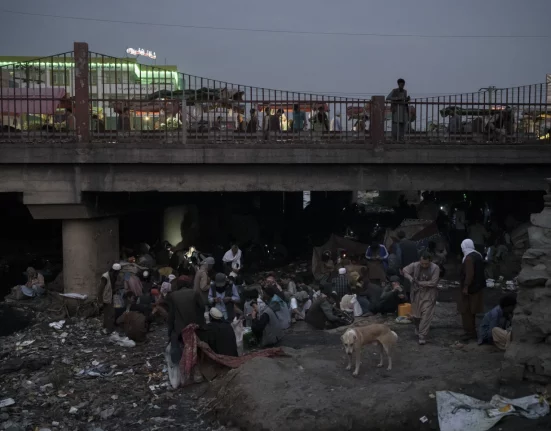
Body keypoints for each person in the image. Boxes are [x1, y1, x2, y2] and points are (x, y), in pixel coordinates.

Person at [402, 252, 440, 345]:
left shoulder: (435, 268)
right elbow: (404, 270)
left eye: (426, 263)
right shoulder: (415, 265)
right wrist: (411, 279)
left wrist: (420, 283)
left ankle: (422, 335)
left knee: (426, 314)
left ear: (430, 262)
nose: (424, 265)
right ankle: (418, 328)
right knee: (416, 315)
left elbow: (434, 282)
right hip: (416, 293)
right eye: (422, 263)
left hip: (429, 294)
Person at [458, 239, 486, 342]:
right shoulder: (477, 255)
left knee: (466, 311)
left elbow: (469, 274)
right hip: (477, 287)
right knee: (472, 310)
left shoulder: (469, 258)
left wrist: (466, 286)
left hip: (470, 289)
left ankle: (469, 332)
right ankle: (472, 331)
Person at [97, 263, 122, 333]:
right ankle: (109, 329)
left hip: (113, 295)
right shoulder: (105, 277)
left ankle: (106, 327)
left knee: (109, 313)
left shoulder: (115, 276)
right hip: (107, 296)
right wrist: (100, 300)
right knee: (110, 313)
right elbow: (100, 289)